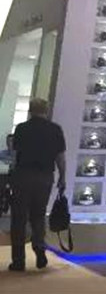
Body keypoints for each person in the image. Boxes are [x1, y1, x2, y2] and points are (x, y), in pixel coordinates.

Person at [9, 98, 66, 272]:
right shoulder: (55, 129)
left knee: (19, 218)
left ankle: (18, 261)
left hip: (23, 175)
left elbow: (14, 155)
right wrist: (62, 177)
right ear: (46, 111)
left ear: (30, 110)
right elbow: (60, 157)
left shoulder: (21, 128)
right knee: (38, 215)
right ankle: (39, 248)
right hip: (45, 177)